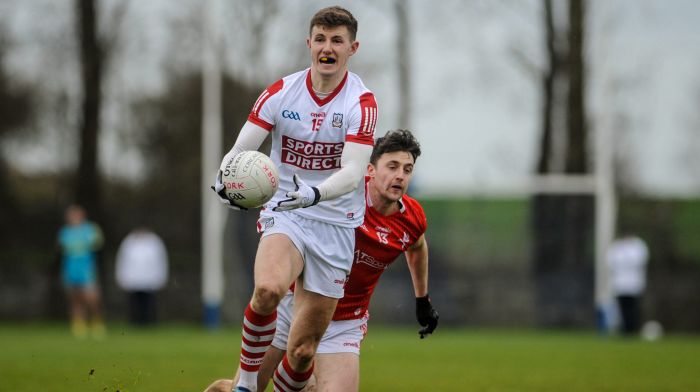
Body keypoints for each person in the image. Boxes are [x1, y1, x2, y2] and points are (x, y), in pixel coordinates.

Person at [211, 6, 377, 392]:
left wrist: (314, 193)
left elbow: (353, 172)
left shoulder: (361, 103)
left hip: (335, 224)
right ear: (309, 43)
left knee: (302, 352)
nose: (327, 47)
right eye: (320, 38)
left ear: (353, 47)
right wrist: (223, 178)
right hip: (285, 212)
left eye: (337, 40)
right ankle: (246, 385)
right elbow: (241, 148)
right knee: (267, 290)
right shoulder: (281, 91)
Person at [204, 130, 439, 392]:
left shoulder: (412, 218)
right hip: (296, 303)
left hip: (346, 320)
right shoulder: (339, 196)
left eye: (407, 169)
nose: (400, 176)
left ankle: (299, 382)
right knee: (249, 387)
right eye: (392, 166)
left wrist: (422, 299)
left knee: (311, 370)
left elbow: (417, 247)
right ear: (370, 170)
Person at [56, 204, 106, 339]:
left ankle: (97, 323)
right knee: (75, 299)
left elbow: (98, 244)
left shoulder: (91, 230)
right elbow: (61, 249)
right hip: (70, 270)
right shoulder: (65, 232)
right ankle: (79, 326)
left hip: (87, 270)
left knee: (92, 298)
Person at [115, 226, 169, 326]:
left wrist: (161, 277)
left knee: (148, 303)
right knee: (134, 303)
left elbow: (161, 261)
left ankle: (148, 322)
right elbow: (122, 261)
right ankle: (135, 322)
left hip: (149, 279)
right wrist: (121, 277)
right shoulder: (128, 243)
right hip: (133, 279)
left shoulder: (155, 243)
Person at [607, 231, 649, 336]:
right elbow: (610, 262)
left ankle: (632, 329)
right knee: (623, 308)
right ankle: (625, 329)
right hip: (620, 284)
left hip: (634, 284)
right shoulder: (617, 247)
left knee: (633, 308)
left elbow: (641, 261)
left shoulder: (638, 246)